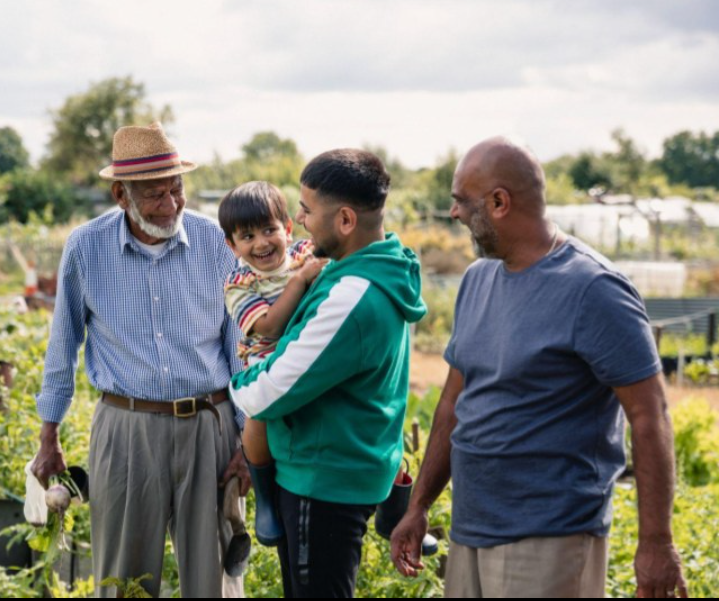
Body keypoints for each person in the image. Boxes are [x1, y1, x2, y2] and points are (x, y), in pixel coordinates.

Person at [390, 137, 688, 599]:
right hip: (472, 530)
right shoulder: (477, 279)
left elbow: (651, 416)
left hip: (551, 537)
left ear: (499, 202)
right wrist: (419, 504)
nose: (453, 214)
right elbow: (454, 400)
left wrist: (657, 543)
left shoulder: (594, 289)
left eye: (460, 202)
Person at [31, 123, 250, 598]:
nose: (171, 205)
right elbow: (62, 345)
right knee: (122, 580)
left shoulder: (216, 243)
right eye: (155, 195)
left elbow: (242, 350)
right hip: (126, 430)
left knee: (215, 579)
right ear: (120, 195)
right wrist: (48, 433)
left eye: (177, 190)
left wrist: (248, 438)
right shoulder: (86, 248)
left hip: (209, 427)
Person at [229, 149, 428, 597]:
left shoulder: (350, 297)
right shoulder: (378, 269)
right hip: (346, 467)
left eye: (305, 210)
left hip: (322, 484)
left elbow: (264, 393)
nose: (298, 220)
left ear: (343, 220)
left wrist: (242, 378)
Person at [218, 181, 327, 547]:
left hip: (313, 349)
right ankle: (264, 496)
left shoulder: (306, 254)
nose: (262, 243)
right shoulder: (238, 282)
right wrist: (299, 282)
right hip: (266, 356)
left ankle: (392, 487)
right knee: (258, 414)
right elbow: (267, 326)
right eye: (247, 236)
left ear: (288, 228)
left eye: (269, 230)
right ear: (232, 246)